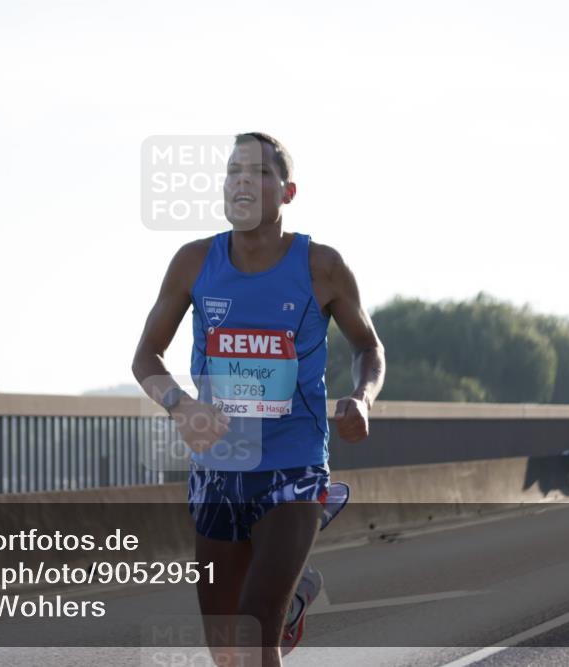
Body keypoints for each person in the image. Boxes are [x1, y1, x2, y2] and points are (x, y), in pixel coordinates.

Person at [132, 132, 385, 666]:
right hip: (219, 469)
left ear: (288, 192)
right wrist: (181, 404)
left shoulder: (322, 266)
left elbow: (368, 346)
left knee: (253, 635)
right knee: (226, 650)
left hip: (294, 465)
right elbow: (146, 358)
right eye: (233, 171)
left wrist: (362, 397)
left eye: (259, 172)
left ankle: (279, 606)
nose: (242, 181)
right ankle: (291, 599)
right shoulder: (194, 262)